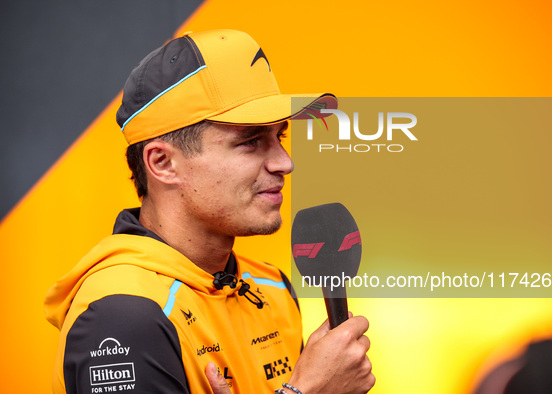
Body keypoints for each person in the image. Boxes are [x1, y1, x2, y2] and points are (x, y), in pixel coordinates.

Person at [44, 29, 375, 394]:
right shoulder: (123, 313)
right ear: (163, 163)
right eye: (250, 141)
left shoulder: (273, 288)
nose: (285, 162)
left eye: (279, 137)